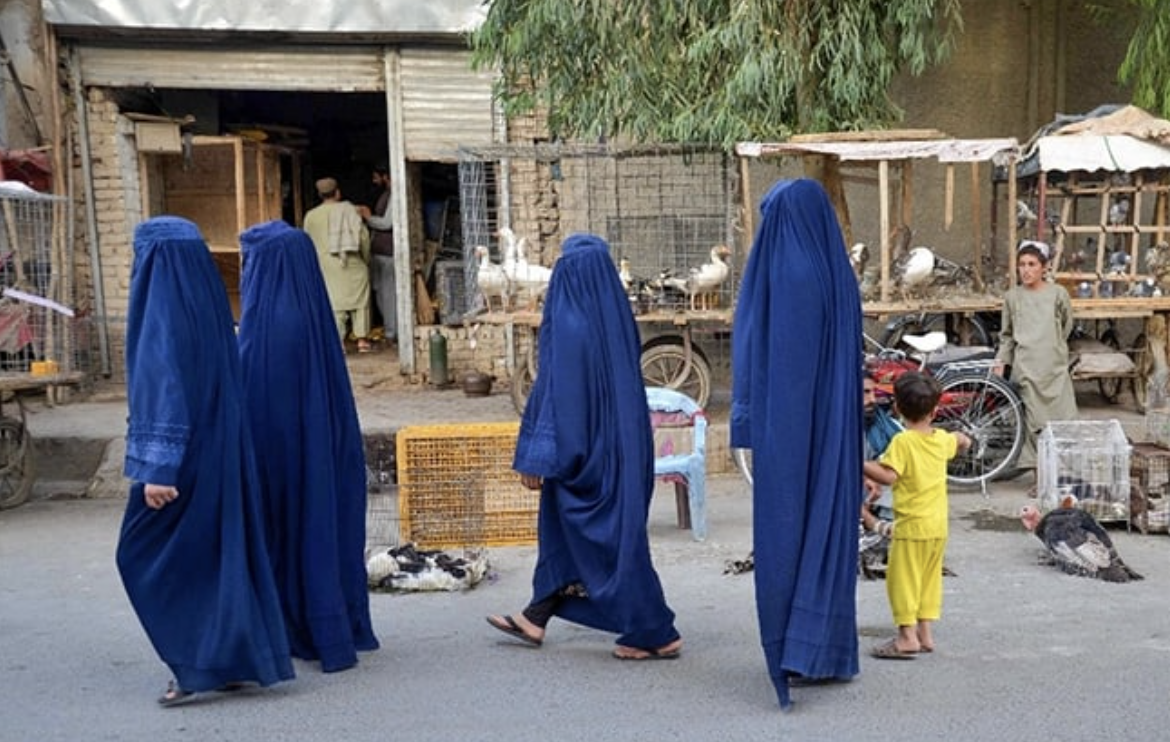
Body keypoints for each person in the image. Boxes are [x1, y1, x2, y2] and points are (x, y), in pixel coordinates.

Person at [116, 216, 294, 706]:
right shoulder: (210, 301)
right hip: (219, 449)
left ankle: (195, 662)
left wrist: (158, 468)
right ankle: (235, 662)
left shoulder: (160, 306)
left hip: (181, 457)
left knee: (140, 553)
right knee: (217, 554)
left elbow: (162, 383)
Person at [485, 233, 682, 661]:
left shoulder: (570, 322)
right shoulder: (616, 316)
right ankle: (536, 616)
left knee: (605, 546)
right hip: (625, 451)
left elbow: (558, 395)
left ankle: (654, 631)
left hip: (584, 454)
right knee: (603, 538)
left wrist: (539, 457)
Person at [730, 178, 863, 709]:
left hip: (793, 432)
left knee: (789, 534)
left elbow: (779, 365)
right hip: (836, 431)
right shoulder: (838, 274)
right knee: (829, 531)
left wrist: (757, 432)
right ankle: (823, 651)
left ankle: (790, 651)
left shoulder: (790, 272)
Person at [237, 220, 380, 673]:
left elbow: (257, 400)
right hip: (320, 453)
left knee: (286, 532)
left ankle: (293, 626)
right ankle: (333, 624)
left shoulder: (269, 322)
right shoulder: (311, 310)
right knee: (322, 528)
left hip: (281, 458)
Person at [863, 371, 972, 659]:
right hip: (938, 526)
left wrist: (858, 461)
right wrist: (963, 439)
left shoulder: (903, 442)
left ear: (896, 408)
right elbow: (959, 441)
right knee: (928, 579)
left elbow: (888, 476)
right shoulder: (940, 440)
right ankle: (926, 634)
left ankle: (906, 637)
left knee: (903, 581)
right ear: (935, 410)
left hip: (911, 528)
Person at [995, 240, 1077, 478]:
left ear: (1044, 267)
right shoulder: (1012, 297)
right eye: (1022, 264)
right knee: (1034, 425)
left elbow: (1066, 325)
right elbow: (1007, 335)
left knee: (1063, 421)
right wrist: (1002, 363)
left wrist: (1054, 347)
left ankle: (1060, 474)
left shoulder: (1058, 294)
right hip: (1027, 369)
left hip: (1054, 369)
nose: (1026, 270)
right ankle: (1040, 477)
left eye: (1032, 264)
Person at [303, 176, 374, 353]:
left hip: (326, 265)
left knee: (334, 302)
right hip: (352, 261)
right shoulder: (350, 210)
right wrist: (365, 259)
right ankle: (362, 340)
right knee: (361, 301)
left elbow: (307, 242)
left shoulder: (311, 216)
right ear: (337, 192)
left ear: (320, 195)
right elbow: (363, 237)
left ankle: (339, 341)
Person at [358, 165, 397, 344]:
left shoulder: (394, 194)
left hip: (388, 252)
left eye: (376, 177)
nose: (374, 181)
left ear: (385, 176)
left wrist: (368, 217)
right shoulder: (385, 193)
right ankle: (390, 330)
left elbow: (388, 223)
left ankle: (392, 333)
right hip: (379, 251)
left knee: (387, 294)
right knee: (380, 292)